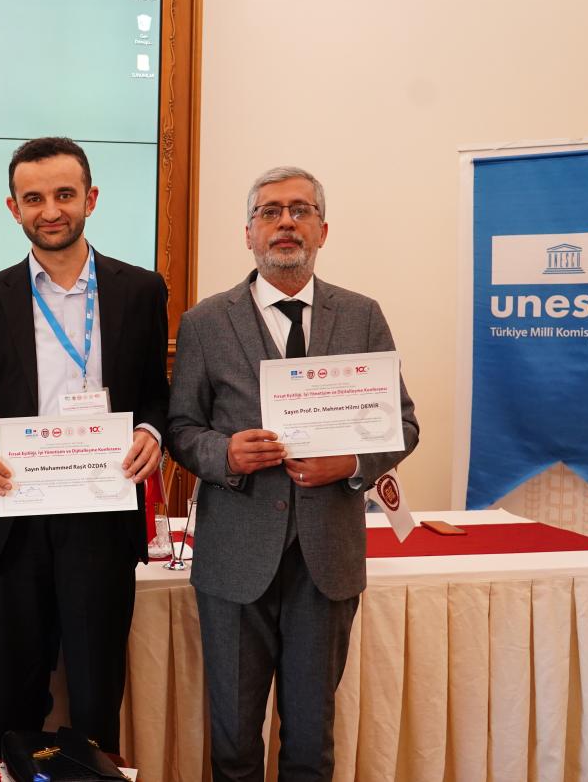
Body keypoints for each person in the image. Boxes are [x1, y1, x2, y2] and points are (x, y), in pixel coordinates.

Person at [167, 166, 419, 781]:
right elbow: (181, 429)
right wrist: (225, 454)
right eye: (270, 211)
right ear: (248, 233)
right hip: (234, 559)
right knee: (233, 743)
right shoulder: (205, 321)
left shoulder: (361, 315)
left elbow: (403, 424)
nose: (286, 222)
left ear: (322, 231)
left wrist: (351, 463)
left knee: (311, 741)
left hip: (326, 558)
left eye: (300, 210)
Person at [0, 137, 170, 756]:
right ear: (13, 208)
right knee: (14, 700)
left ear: (90, 199)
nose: (51, 211)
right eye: (34, 198)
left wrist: (153, 433)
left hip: (101, 516)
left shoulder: (140, 291)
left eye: (65, 195)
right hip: (13, 520)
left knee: (97, 697)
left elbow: (157, 396)